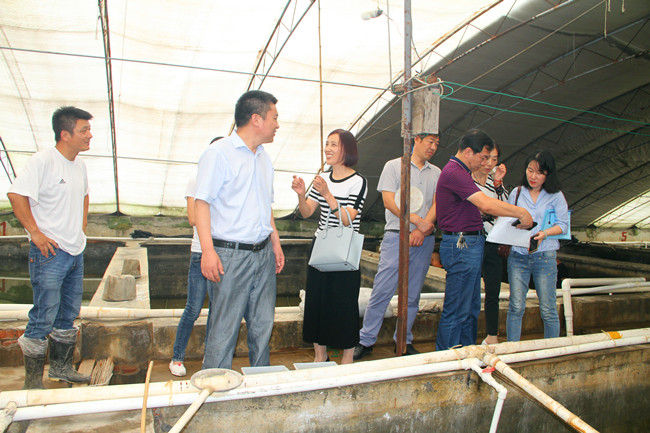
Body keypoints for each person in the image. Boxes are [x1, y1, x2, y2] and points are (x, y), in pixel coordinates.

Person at [194, 91, 285, 370]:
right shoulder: (219, 153)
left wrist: (275, 242)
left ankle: (261, 381)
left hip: (262, 253)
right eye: (274, 117)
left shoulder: (264, 158)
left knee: (262, 326)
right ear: (256, 119)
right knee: (224, 328)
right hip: (230, 255)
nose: (277, 124)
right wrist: (208, 252)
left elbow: (265, 206)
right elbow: (201, 203)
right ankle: (215, 383)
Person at [7, 106, 94, 388]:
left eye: (89, 130)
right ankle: (32, 382)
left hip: (74, 251)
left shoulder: (79, 165)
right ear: (65, 134)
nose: (89, 135)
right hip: (50, 253)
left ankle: (61, 368)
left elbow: (84, 195)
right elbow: (16, 195)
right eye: (84, 130)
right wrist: (35, 233)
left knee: (68, 314)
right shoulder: (43, 161)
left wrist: (81, 227)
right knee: (44, 315)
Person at [435, 129, 533, 351]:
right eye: (483, 157)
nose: (485, 163)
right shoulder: (455, 172)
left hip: (470, 243)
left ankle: (468, 351)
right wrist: (520, 212)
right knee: (457, 307)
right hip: (461, 245)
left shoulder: (463, 172)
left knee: (470, 306)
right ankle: (446, 357)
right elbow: (486, 204)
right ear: (469, 152)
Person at [354, 133, 440, 361]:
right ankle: (366, 340)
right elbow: (389, 201)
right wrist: (415, 220)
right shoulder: (394, 166)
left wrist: (422, 229)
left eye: (436, 144)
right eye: (430, 142)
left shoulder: (436, 173)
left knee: (412, 293)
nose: (433, 147)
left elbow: (437, 203)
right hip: (396, 235)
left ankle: (403, 340)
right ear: (416, 139)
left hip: (424, 238)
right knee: (382, 289)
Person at [291, 129, 367, 364]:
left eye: (334, 144)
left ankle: (347, 358)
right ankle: (320, 355)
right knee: (317, 300)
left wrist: (328, 194)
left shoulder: (358, 182)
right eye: (327, 144)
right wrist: (301, 195)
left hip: (345, 248)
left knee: (344, 302)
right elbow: (307, 212)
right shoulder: (322, 177)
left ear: (347, 149)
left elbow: (348, 219)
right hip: (322, 244)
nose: (328, 149)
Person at [169, 136, 222, 377]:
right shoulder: (197, 180)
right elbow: (193, 217)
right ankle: (177, 357)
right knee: (193, 307)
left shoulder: (229, 180)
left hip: (224, 254)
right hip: (201, 252)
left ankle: (210, 359)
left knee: (218, 310)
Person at [506, 150, 568, 342]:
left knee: (548, 308)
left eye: (539, 172)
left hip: (544, 256)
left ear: (548, 174)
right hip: (518, 255)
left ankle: (550, 350)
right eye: (530, 170)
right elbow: (507, 219)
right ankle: (512, 349)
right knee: (516, 306)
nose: (533, 176)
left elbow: (563, 225)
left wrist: (545, 233)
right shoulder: (517, 193)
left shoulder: (556, 196)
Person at [471, 144, 509, 345]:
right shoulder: (467, 180)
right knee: (469, 290)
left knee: (493, 291)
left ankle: (492, 335)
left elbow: (506, 207)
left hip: (493, 242)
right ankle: (466, 336)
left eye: (494, 159)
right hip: (472, 240)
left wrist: (498, 183)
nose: (489, 163)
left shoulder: (495, 184)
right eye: (486, 158)